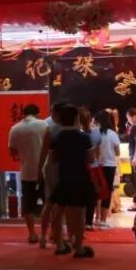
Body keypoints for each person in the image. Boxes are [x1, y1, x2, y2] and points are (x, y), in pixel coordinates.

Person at [48, 105, 96, 257]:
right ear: (76, 118)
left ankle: (60, 245)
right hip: (80, 178)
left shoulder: (56, 138)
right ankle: (79, 247)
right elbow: (91, 159)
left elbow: (53, 160)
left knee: (58, 212)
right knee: (79, 214)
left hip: (63, 178)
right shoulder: (84, 138)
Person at [8, 103, 48, 243]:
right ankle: (47, 233)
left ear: (23, 113)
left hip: (26, 171)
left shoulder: (15, 128)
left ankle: (32, 233)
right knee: (48, 203)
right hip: (45, 171)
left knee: (28, 205)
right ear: (37, 114)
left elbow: (12, 151)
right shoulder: (43, 125)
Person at [38, 101, 67, 248]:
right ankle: (58, 237)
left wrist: (39, 169)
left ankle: (43, 236)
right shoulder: (70, 129)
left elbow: (43, 152)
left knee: (49, 203)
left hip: (50, 167)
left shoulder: (50, 129)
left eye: (53, 111)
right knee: (61, 206)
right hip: (63, 169)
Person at [94, 110, 120, 228]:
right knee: (107, 192)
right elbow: (117, 152)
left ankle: (96, 217)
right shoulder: (112, 134)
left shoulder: (94, 133)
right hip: (110, 165)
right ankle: (103, 220)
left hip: (97, 165)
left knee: (97, 192)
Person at [81, 109, 101, 230]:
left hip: (79, 168)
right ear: (90, 119)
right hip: (93, 167)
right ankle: (89, 221)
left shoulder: (77, 134)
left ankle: (80, 220)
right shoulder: (96, 133)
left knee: (80, 195)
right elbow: (98, 153)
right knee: (92, 195)